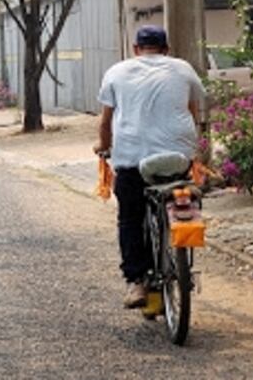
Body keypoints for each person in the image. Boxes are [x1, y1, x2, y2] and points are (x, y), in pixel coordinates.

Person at [94, 25, 206, 308]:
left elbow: (106, 122)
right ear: (166, 49)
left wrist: (103, 147)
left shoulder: (117, 72)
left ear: (135, 50)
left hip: (132, 160)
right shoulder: (182, 69)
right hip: (177, 157)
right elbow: (192, 113)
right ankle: (180, 261)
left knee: (130, 217)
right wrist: (193, 149)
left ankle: (136, 283)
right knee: (180, 202)